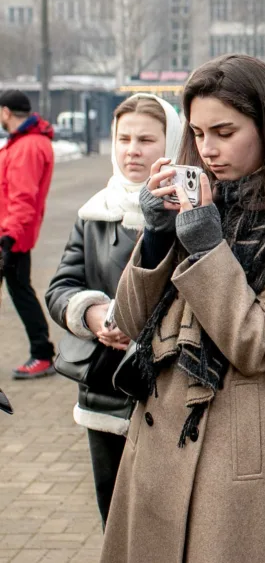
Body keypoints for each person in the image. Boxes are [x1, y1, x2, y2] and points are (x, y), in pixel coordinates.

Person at [99, 54, 265, 563]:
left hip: (236, 462)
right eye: (198, 132)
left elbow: (256, 344)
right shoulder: (193, 209)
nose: (208, 149)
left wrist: (209, 249)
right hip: (158, 446)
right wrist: (155, 238)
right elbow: (127, 323)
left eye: (224, 131)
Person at [45, 93, 183, 529]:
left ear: (172, 144)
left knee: (168, 527)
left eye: (146, 139)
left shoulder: (192, 211)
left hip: (171, 392)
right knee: (117, 526)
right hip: (106, 392)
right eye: (123, 138)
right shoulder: (95, 212)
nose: (132, 150)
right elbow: (61, 287)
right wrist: (94, 315)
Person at [0, 89, 56, 379]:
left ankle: (42, 353)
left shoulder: (27, 146)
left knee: (21, 292)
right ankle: (41, 351)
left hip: (10, 236)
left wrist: (8, 237)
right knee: (20, 291)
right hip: (11, 232)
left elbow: (23, 197)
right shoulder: (23, 143)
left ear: (6, 112)